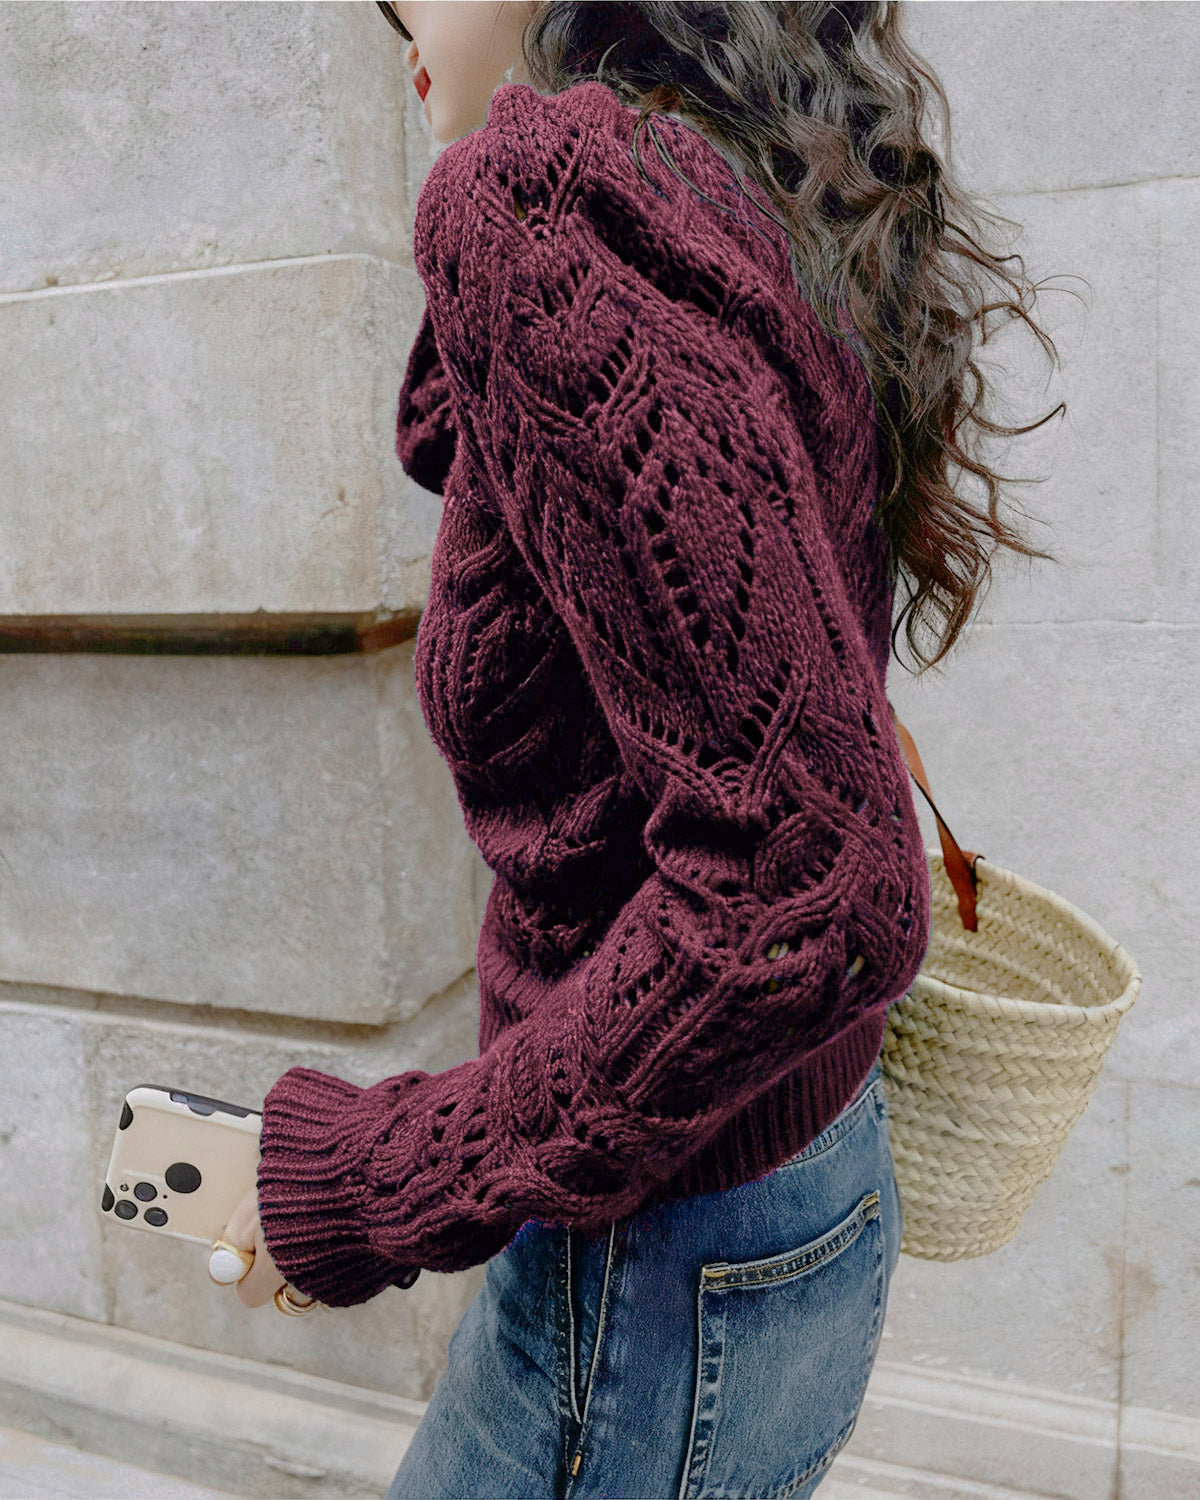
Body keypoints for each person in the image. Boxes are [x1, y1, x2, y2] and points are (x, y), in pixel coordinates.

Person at [211, 3, 1066, 1495]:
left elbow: (808, 885)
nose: (391, 16)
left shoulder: (549, 214)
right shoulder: (734, 174)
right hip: (790, 1186)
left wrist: (375, 1186)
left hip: (665, 1255)